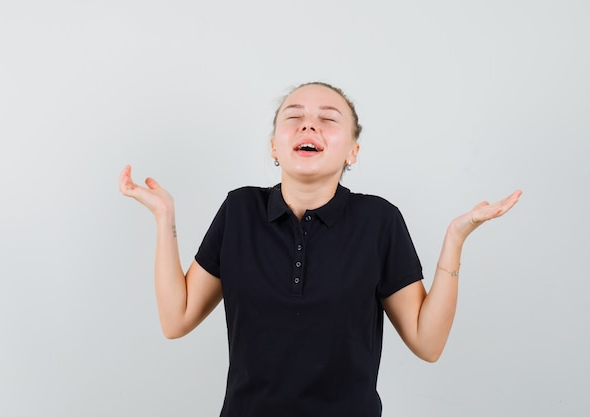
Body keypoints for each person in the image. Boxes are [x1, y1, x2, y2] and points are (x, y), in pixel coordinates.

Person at [118, 81, 522, 417]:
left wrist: (456, 238)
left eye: (328, 119)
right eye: (293, 117)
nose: (308, 126)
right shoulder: (239, 210)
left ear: (353, 151)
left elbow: (427, 343)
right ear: (274, 147)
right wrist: (164, 216)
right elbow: (177, 319)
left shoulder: (378, 220)